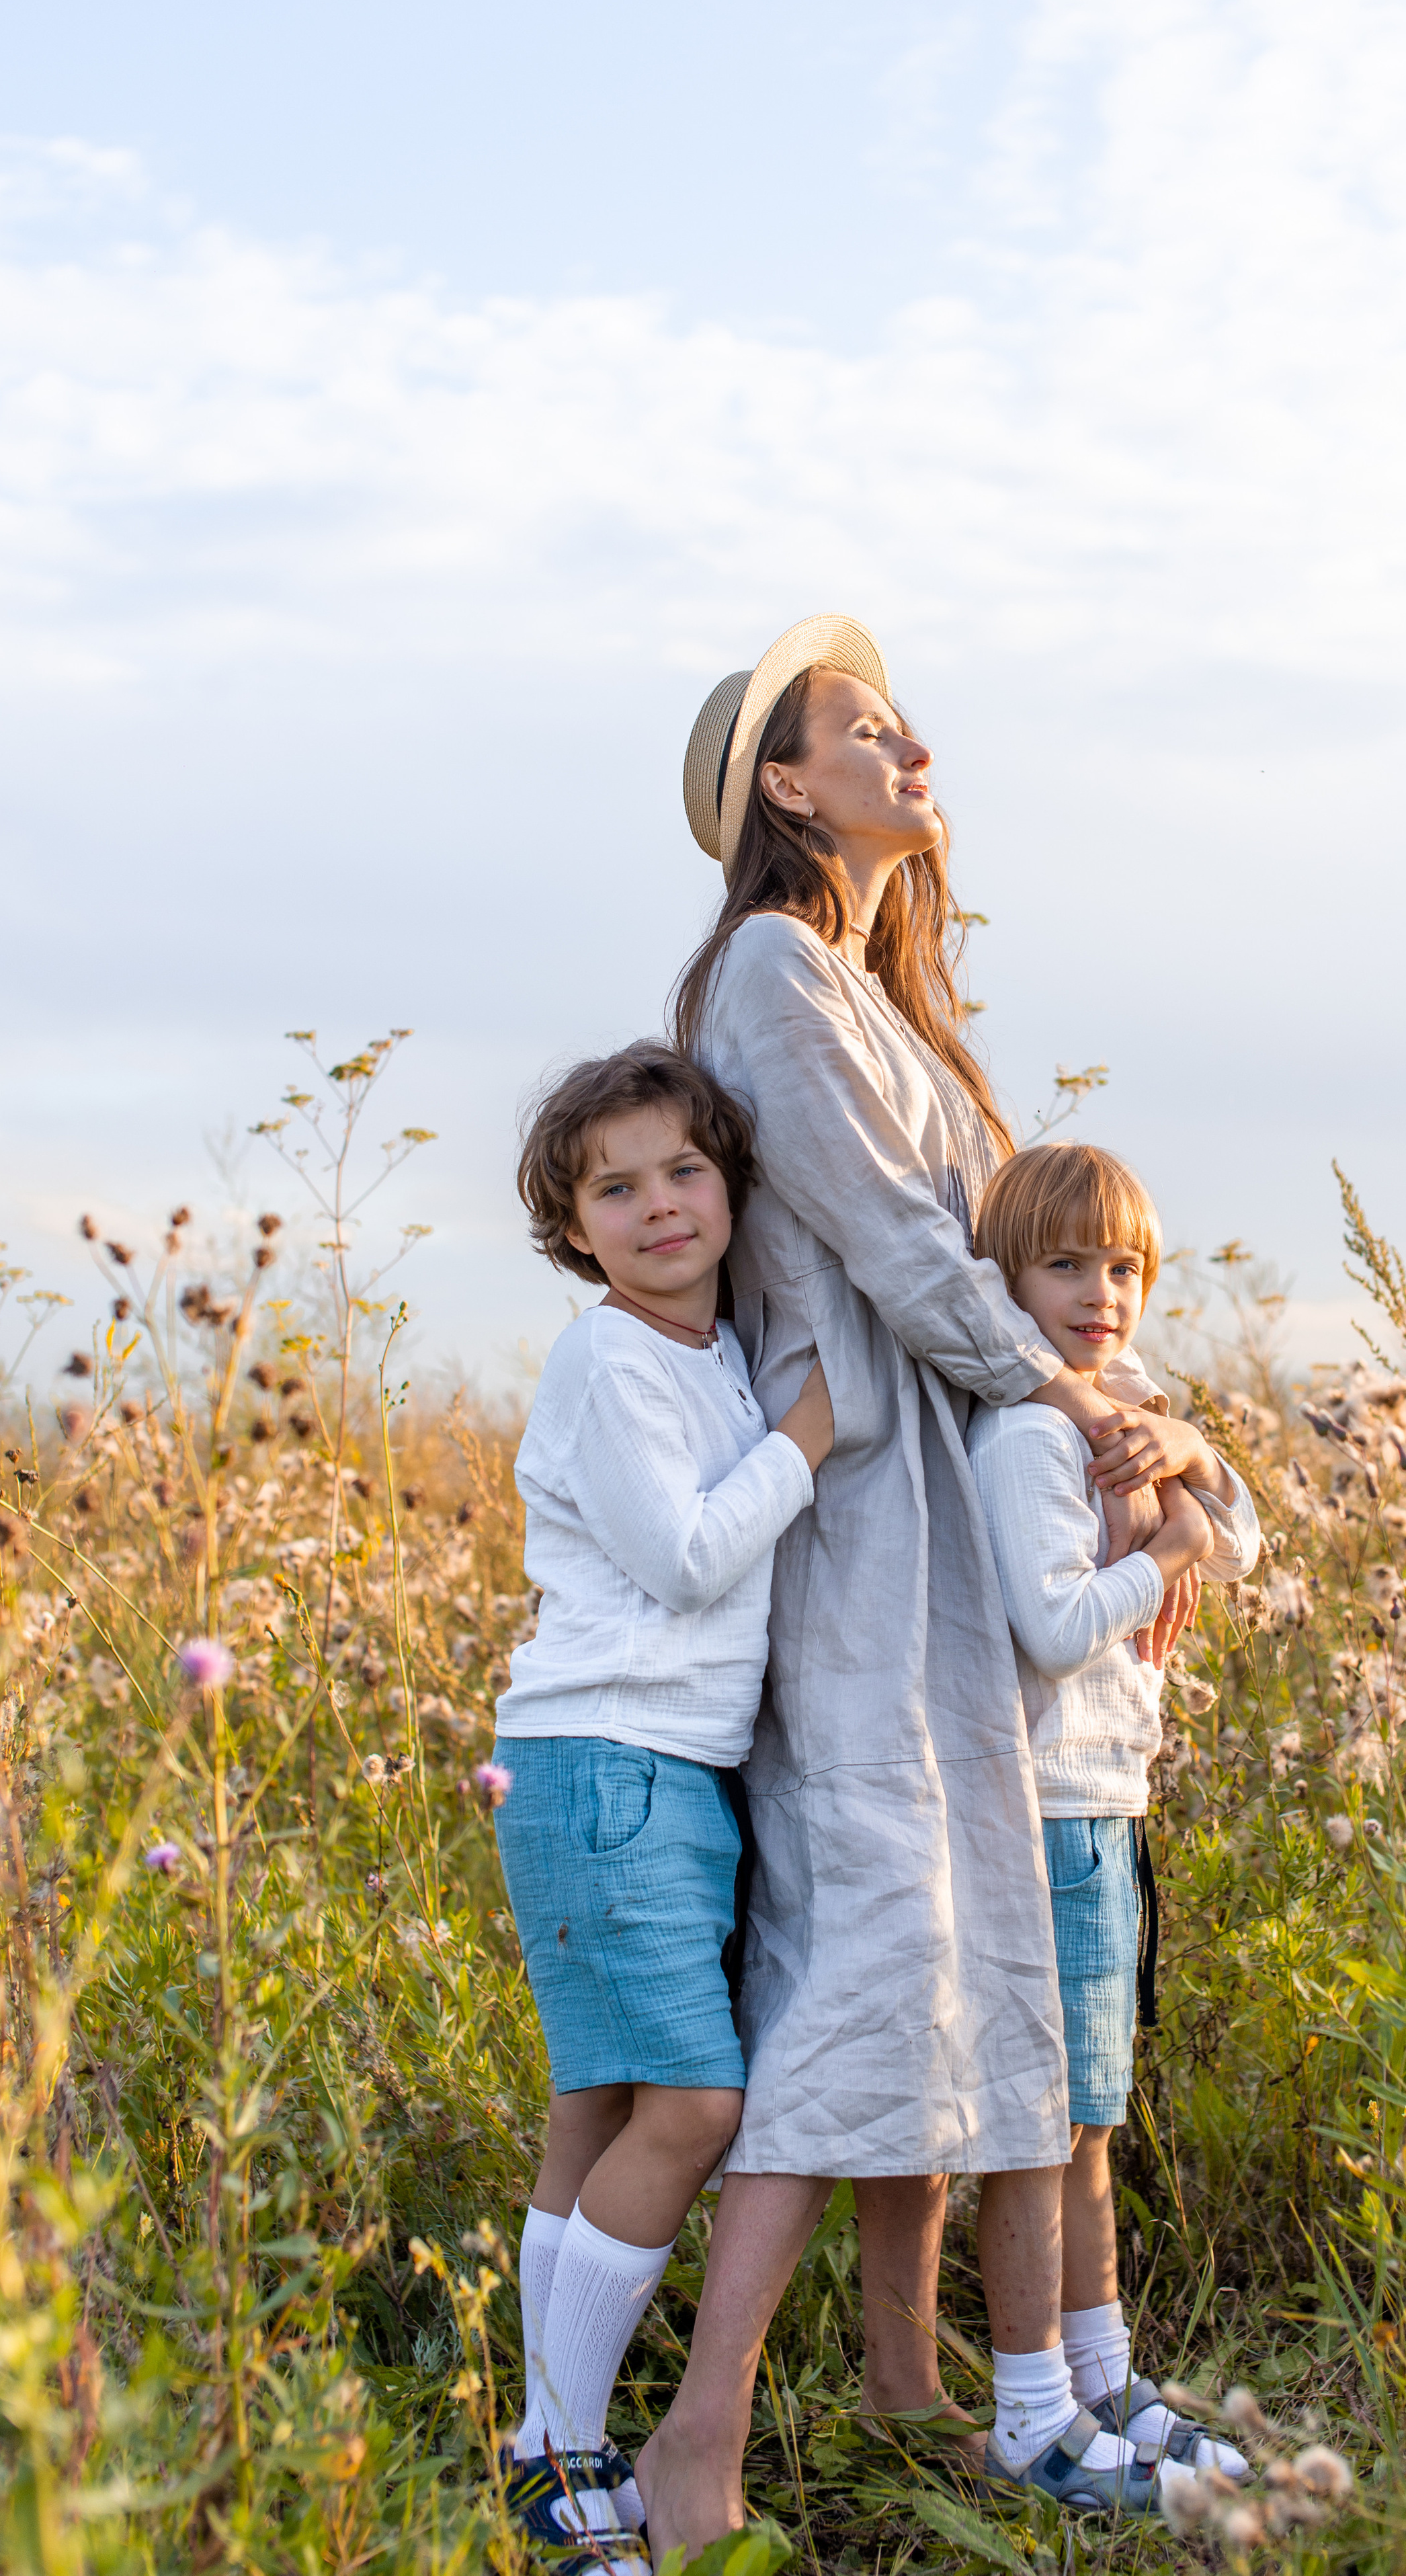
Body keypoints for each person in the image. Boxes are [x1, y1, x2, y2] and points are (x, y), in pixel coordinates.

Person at [635, 615, 1210, 2552]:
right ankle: (695, 2434)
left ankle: (902, 2380)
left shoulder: (877, 996)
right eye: (858, 728)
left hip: (956, 1517)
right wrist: (1078, 1401)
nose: (909, 742)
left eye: (901, 719)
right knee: (868, 1960)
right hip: (872, 1529)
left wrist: (1119, 1417)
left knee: (955, 1950)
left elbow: (992, 1242)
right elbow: (895, 1245)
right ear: (786, 789)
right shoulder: (778, 976)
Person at [488, 1041, 833, 2565]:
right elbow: (688, 1553)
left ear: (728, 1183)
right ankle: (558, 2451)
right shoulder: (612, 1360)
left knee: (602, 2112)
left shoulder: (708, 1356)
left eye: (682, 1170)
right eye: (612, 1189)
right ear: (573, 1232)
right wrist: (808, 1441)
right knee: (691, 2106)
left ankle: (538, 2439)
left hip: (657, 1772)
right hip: (603, 1763)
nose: (657, 1206)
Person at [967, 1141, 1262, 2497]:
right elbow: (1047, 1621)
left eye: (1125, 1267)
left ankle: (1104, 2383)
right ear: (1006, 1278)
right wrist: (1160, 1558)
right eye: (1066, 1263)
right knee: (1040, 2122)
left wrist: (1194, 1456)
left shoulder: (1129, 1407)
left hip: (1110, 1809)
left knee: (1094, 2117)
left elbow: (1241, 1536)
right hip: (1050, 1811)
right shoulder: (1032, 1433)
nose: (1101, 1291)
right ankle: (1032, 2409)